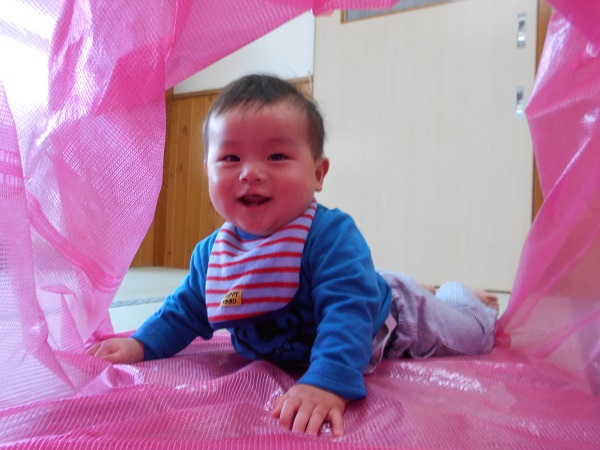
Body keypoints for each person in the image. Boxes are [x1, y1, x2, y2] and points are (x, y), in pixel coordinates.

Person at [87, 73, 498, 437]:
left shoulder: (331, 235)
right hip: (358, 285)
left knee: (475, 335)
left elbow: (348, 310)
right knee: (356, 279)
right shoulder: (213, 256)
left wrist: (327, 380)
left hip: (397, 319)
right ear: (208, 170)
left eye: (277, 156)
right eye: (230, 158)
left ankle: (458, 294)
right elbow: (184, 311)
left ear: (318, 174)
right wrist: (141, 344)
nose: (251, 172)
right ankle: (404, 281)